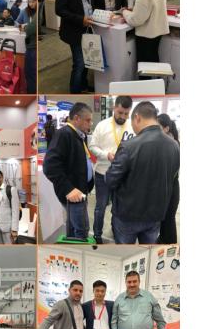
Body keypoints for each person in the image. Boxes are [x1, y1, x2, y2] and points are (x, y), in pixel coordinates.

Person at [106, 101, 180, 244]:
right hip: (156, 215)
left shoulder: (128, 146)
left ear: (137, 117)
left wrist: (115, 164)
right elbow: (172, 178)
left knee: (125, 254)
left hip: (128, 215)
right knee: (147, 253)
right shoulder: (174, 145)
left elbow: (110, 180)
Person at [43, 102, 94, 240]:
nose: (90, 124)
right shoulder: (64, 134)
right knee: (82, 229)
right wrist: (69, 189)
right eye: (88, 120)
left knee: (73, 226)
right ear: (77, 118)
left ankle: (72, 245)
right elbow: (49, 166)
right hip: (73, 193)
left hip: (80, 190)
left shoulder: (79, 134)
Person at [88, 96, 134, 243]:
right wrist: (106, 155)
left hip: (123, 175)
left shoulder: (132, 126)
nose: (123, 117)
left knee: (118, 207)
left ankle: (116, 230)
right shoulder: (102, 125)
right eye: (120, 112)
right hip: (103, 173)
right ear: (114, 108)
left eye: (126, 113)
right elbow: (92, 146)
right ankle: (97, 234)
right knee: (100, 207)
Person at [56, 0, 96, 93]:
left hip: (89, 29)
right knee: (79, 63)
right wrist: (80, 19)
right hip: (75, 31)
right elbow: (60, 10)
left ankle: (83, 85)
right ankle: (75, 91)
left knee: (87, 60)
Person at [122, 0, 169, 64]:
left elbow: (135, 20)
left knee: (144, 65)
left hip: (146, 37)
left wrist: (124, 12)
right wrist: (136, 10)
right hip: (157, 34)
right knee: (153, 60)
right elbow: (151, 10)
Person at [157, 113, 180, 244]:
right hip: (169, 186)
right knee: (165, 219)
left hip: (170, 188)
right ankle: (163, 240)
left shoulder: (172, 145)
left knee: (168, 219)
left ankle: (169, 245)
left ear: (166, 129)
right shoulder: (171, 142)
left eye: (158, 127)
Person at [0, 169, 20, 244]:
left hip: (7, 226)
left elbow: (15, 211)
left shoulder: (11, 189)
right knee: (0, 246)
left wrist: (14, 229)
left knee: (9, 247)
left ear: (2, 178)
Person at [17, 0, 38, 94]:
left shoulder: (37, 12)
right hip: (29, 45)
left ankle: (31, 92)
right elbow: (17, 22)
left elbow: (31, 29)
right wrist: (20, 25)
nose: (31, 4)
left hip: (33, 46)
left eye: (33, 1)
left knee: (31, 72)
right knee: (29, 72)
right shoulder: (25, 11)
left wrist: (25, 27)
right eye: (29, 2)